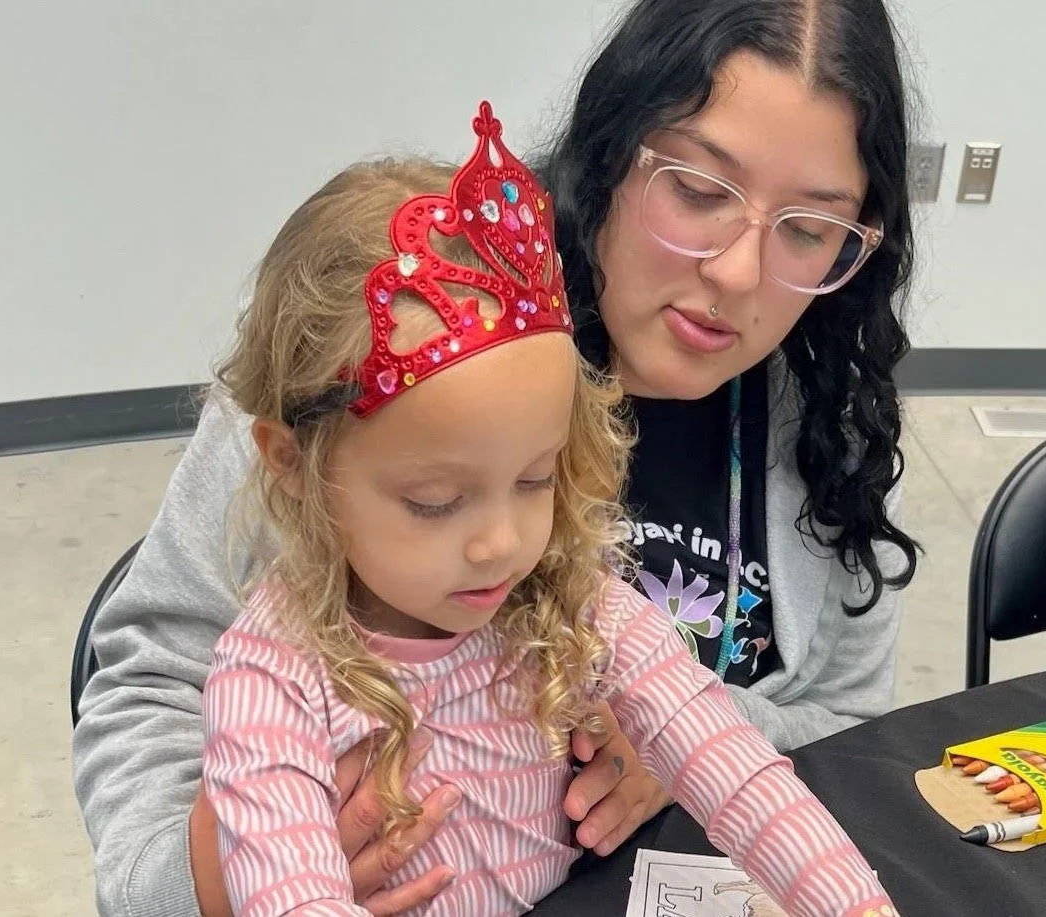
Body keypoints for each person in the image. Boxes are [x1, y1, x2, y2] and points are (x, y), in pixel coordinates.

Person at [72, 0, 919, 913]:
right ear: (611, 149)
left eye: (808, 228)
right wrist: (221, 871)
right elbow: (150, 694)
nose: (738, 273)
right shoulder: (373, 343)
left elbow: (833, 733)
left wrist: (686, 750)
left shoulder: (828, 430)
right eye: (698, 190)